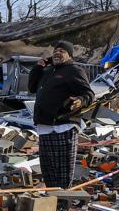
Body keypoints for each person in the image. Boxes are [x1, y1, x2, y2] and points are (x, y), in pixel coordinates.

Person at [28, 41, 94, 189]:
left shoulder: (74, 70)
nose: (57, 53)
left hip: (64, 126)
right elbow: (32, 87)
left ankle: (63, 201)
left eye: (62, 51)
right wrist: (38, 68)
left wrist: (81, 101)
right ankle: (52, 199)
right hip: (45, 125)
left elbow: (88, 93)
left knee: (63, 170)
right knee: (48, 169)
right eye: (55, 50)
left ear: (69, 55)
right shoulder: (47, 70)